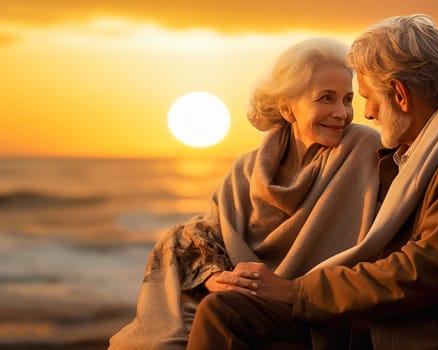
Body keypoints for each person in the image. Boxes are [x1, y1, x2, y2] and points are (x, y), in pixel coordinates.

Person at [185, 14, 438, 350]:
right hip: (395, 313)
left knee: (225, 314)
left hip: (424, 327)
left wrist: (295, 291)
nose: (364, 114)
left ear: (400, 94)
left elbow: (419, 274)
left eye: (363, 97)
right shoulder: (432, 149)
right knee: (224, 310)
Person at [108, 37, 382, 349]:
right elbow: (210, 230)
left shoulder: (362, 148)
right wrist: (216, 277)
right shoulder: (248, 169)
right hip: (252, 300)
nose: (341, 113)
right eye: (326, 98)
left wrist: (290, 288)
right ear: (287, 108)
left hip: (316, 306)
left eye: (347, 100)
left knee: (220, 310)